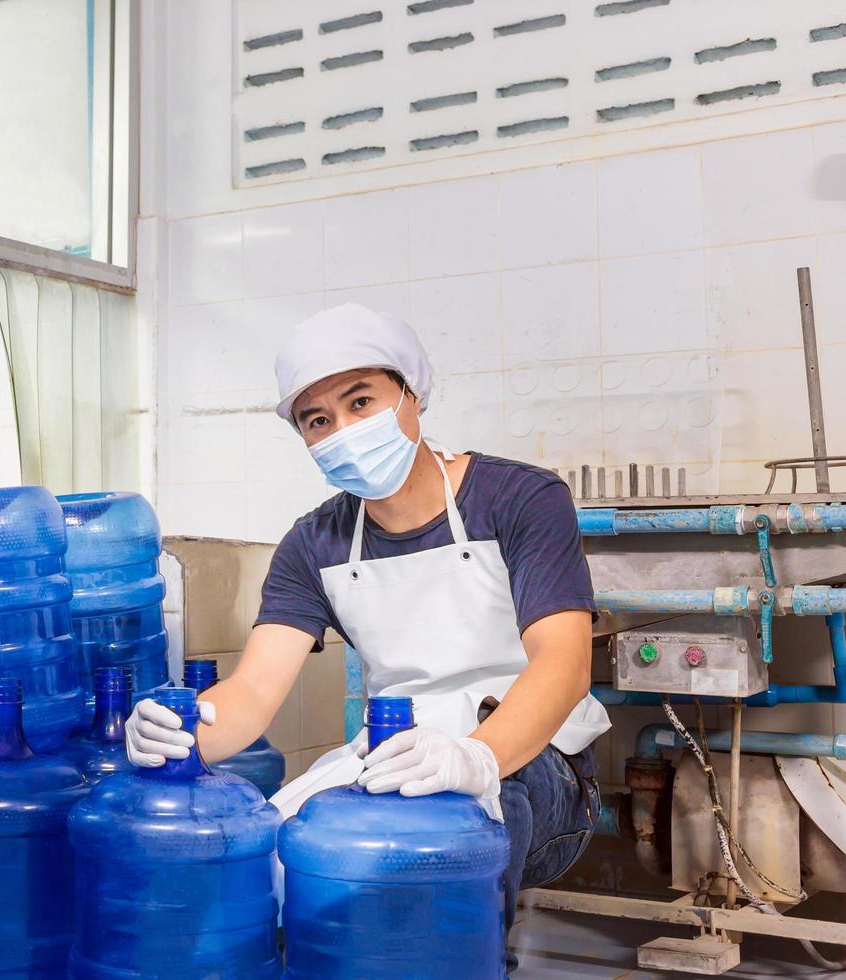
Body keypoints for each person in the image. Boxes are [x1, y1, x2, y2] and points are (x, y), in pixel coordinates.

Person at [125, 303, 610, 968]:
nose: (342, 431)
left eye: (360, 402)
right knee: (283, 850)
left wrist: (473, 759)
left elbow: (562, 665)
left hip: (538, 764)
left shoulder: (519, 499)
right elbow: (254, 691)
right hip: (394, 753)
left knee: (448, 830)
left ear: (411, 395)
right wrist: (183, 731)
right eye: (317, 420)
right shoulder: (311, 544)